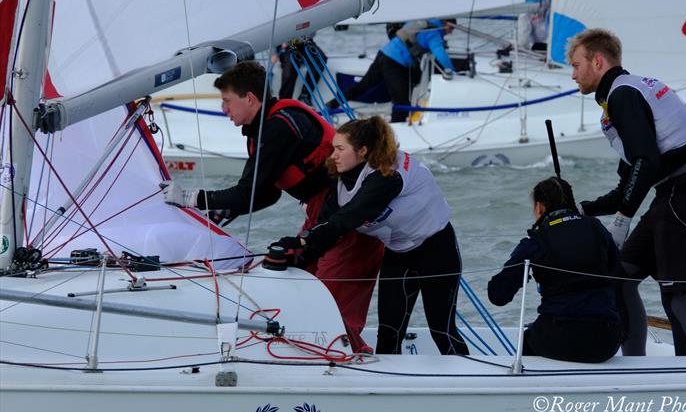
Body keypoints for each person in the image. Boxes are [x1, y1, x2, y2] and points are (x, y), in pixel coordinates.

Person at [159, 61, 383, 353]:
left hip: (347, 219)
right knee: (298, 278)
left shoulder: (279, 127)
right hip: (323, 214)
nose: (224, 109)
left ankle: (345, 356)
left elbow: (245, 193)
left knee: (330, 297)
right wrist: (227, 210)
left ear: (249, 98)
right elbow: (266, 195)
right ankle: (317, 348)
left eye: (227, 101)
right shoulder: (263, 129)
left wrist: (190, 198)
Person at [567, 28, 686, 356]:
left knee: (676, 296)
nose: (572, 74)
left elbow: (646, 162)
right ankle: (634, 365)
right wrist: (582, 209)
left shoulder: (623, 95)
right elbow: (631, 180)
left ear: (597, 61)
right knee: (619, 278)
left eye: (576, 64)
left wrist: (623, 218)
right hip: (669, 196)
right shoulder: (622, 96)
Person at [272, 116, 469, 355]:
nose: (332, 155)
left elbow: (348, 219)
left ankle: (474, 387)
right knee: (388, 333)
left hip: (437, 251)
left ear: (363, 151)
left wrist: (303, 240)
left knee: (441, 330)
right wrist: (298, 257)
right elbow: (325, 226)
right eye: (333, 148)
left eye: (340, 149)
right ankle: (389, 388)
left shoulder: (388, 176)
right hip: (399, 255)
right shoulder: (343, 180)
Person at [487, 177, 623, 363]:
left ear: (540, 207)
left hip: (563, 337)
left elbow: (498, 296)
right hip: (607, 340)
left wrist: (524, 271)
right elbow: (618, 272)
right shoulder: (595, 227)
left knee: (526, 341)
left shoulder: (536, 241)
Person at [330, 19, 457, 122]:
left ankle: (331, 104)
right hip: (394, 63)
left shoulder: (424, 22)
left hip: (384, 54)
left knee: (363, 86)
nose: (450, 33)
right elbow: (440, 54)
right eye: (451, 29)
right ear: (445, 23)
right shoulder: (434, 32)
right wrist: (452, 72)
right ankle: (397, 132)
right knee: (401, 102)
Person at [273, 37, 327, 105]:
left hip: (305, 42)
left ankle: (305, 96)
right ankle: (285, 101)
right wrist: (274, 52)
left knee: (320, 58)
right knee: (290, 63)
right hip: (288, 45)